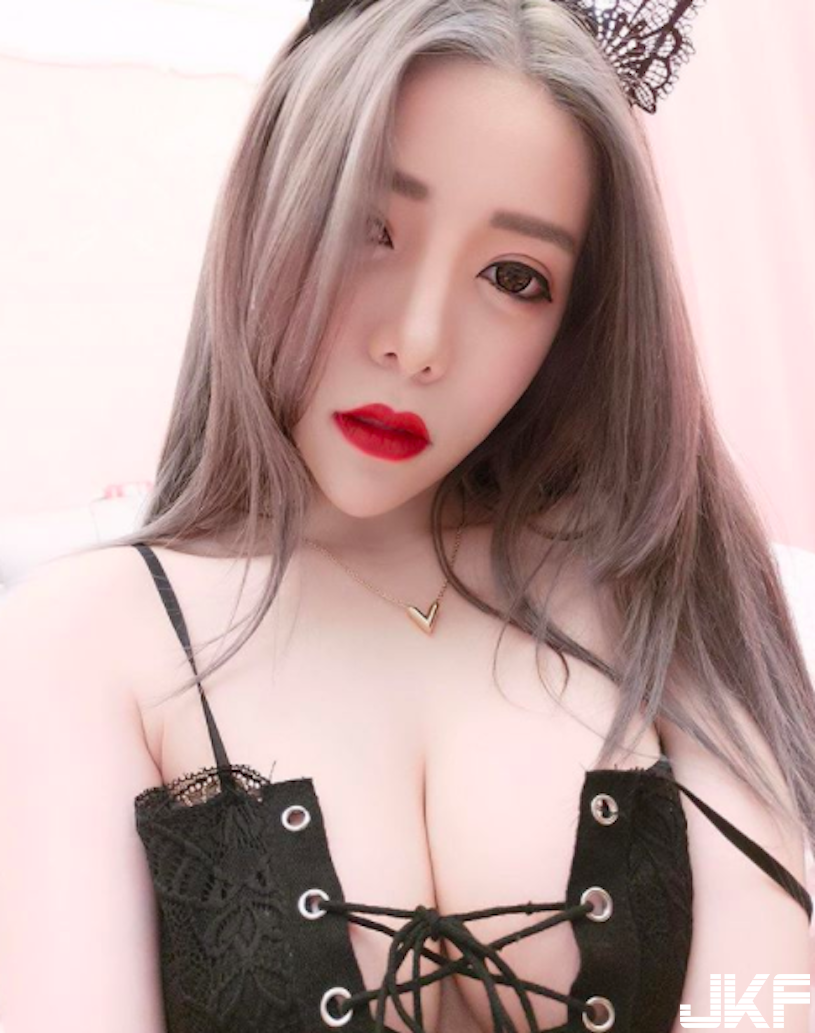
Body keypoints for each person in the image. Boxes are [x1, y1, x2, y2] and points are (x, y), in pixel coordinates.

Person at [1, 1, 813, 1031]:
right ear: (268, 208)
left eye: (513, 277)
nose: (419, 341)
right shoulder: (82, 639)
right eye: (366, 228)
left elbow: (765, 1003)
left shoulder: (653, 573)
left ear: (576, 323)